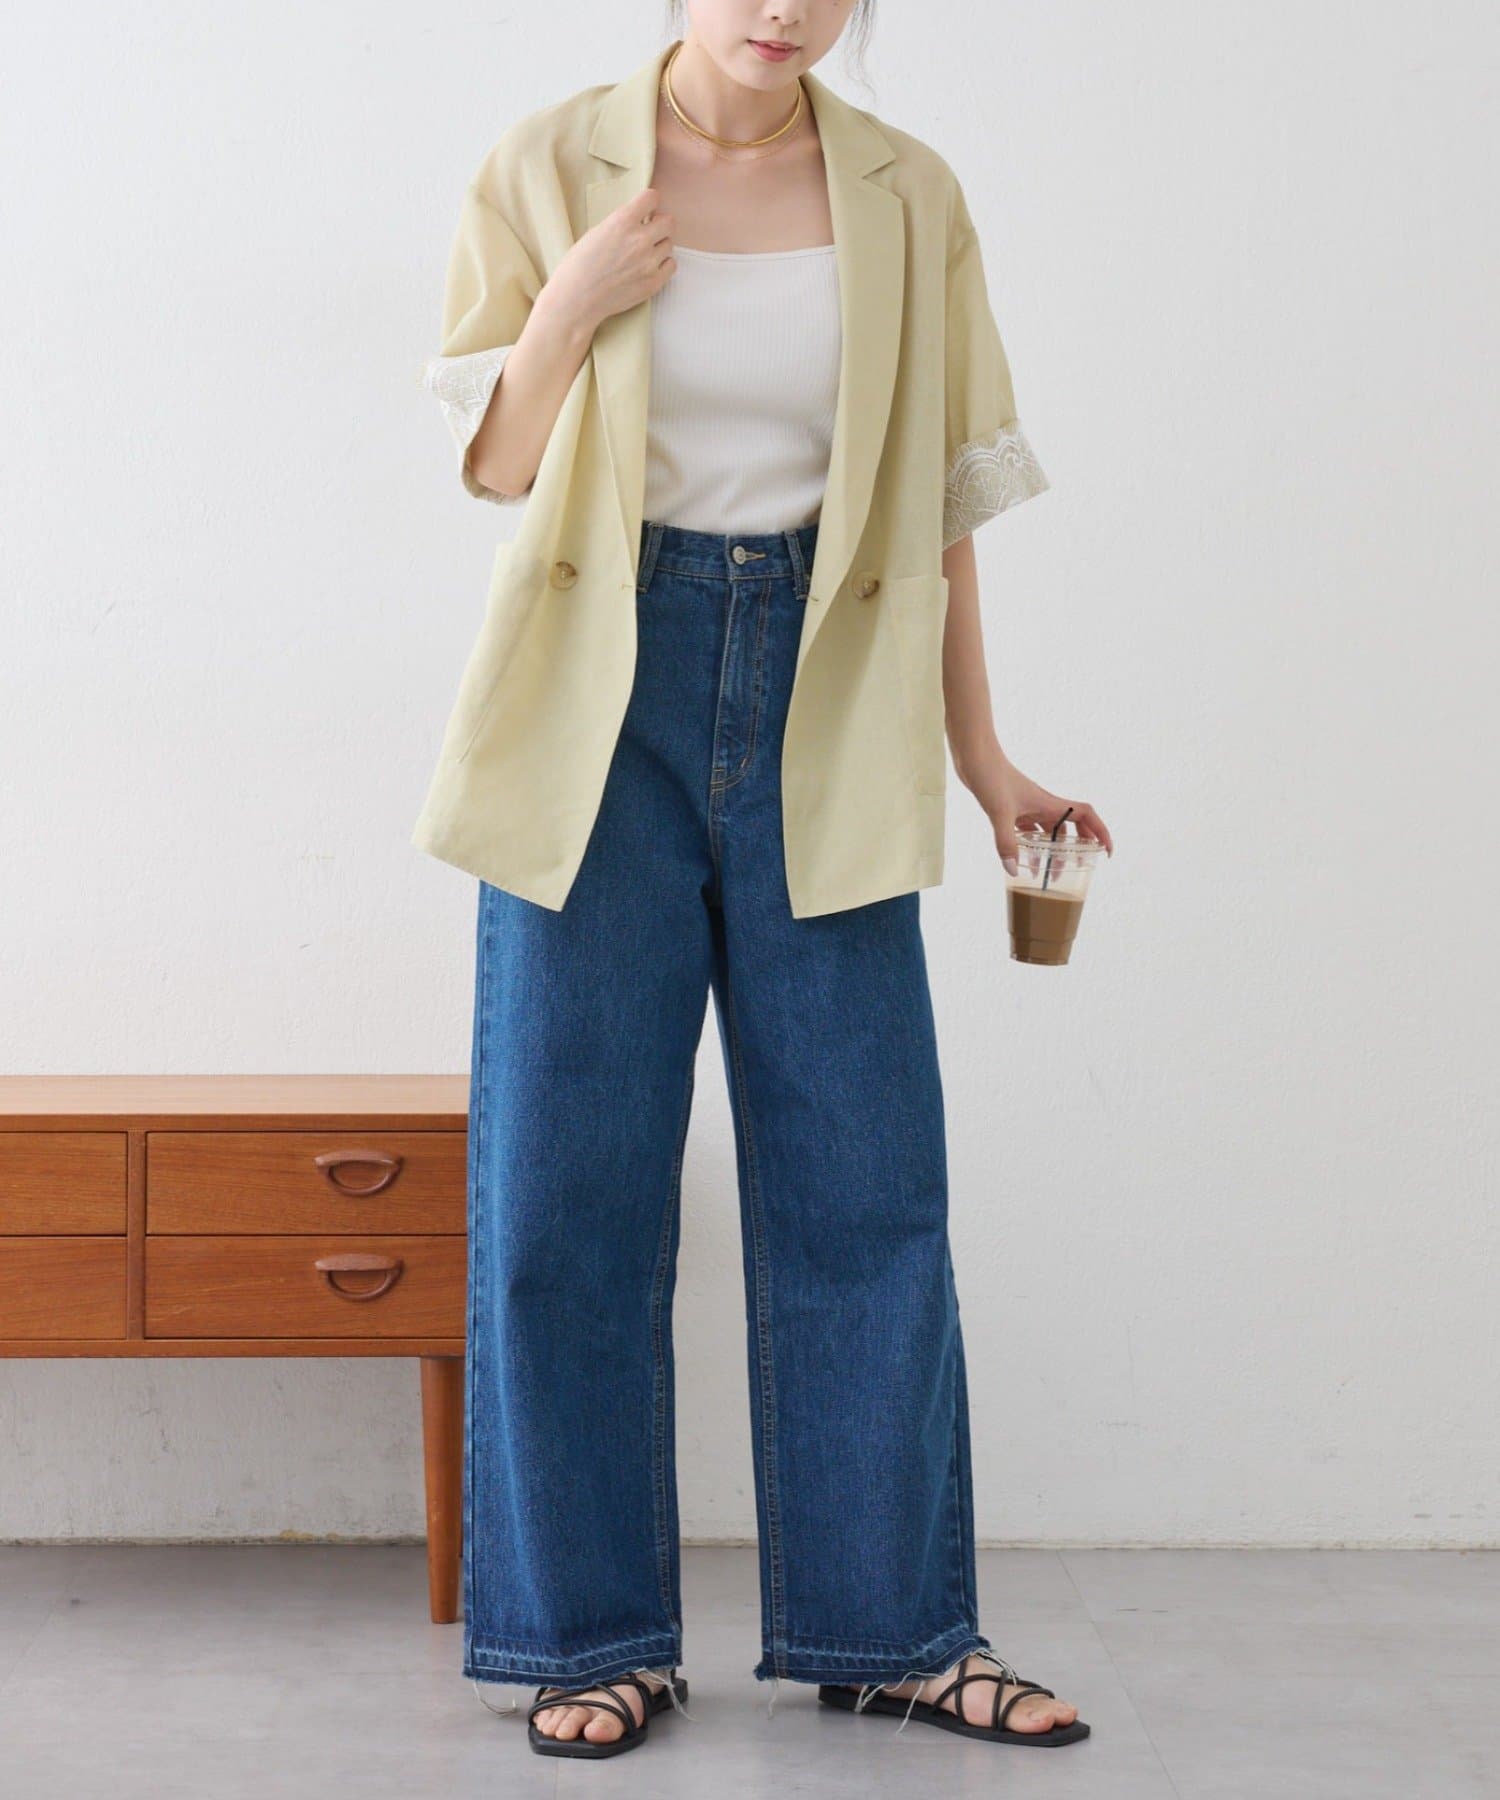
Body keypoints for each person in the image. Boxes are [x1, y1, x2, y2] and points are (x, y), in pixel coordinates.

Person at [415, 4, 1113, 1763]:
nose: (784, 7)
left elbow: (939, 506)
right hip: (599, 698)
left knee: (867, 1186)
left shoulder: (907, 194)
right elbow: (495, 460)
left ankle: (898, 1633)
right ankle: (590, 1640)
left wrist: (985, 756)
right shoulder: (549, 164)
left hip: (832, 683)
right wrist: (574, 302)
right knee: (567, 1188)